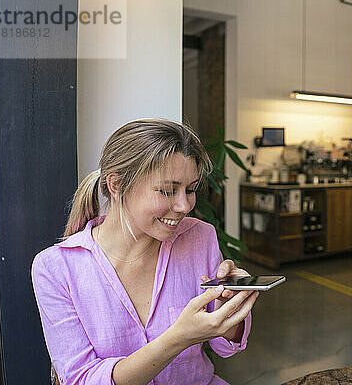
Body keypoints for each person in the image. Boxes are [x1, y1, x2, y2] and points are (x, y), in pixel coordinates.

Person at [31, 118, 259, 384]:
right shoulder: (55, 268)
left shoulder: (200, 236)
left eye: (191, 189)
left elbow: (226, 346)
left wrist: (226, 306)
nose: (184, 205)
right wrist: (179, 338)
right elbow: (81, 379)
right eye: (167, 191)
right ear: (116, 186)